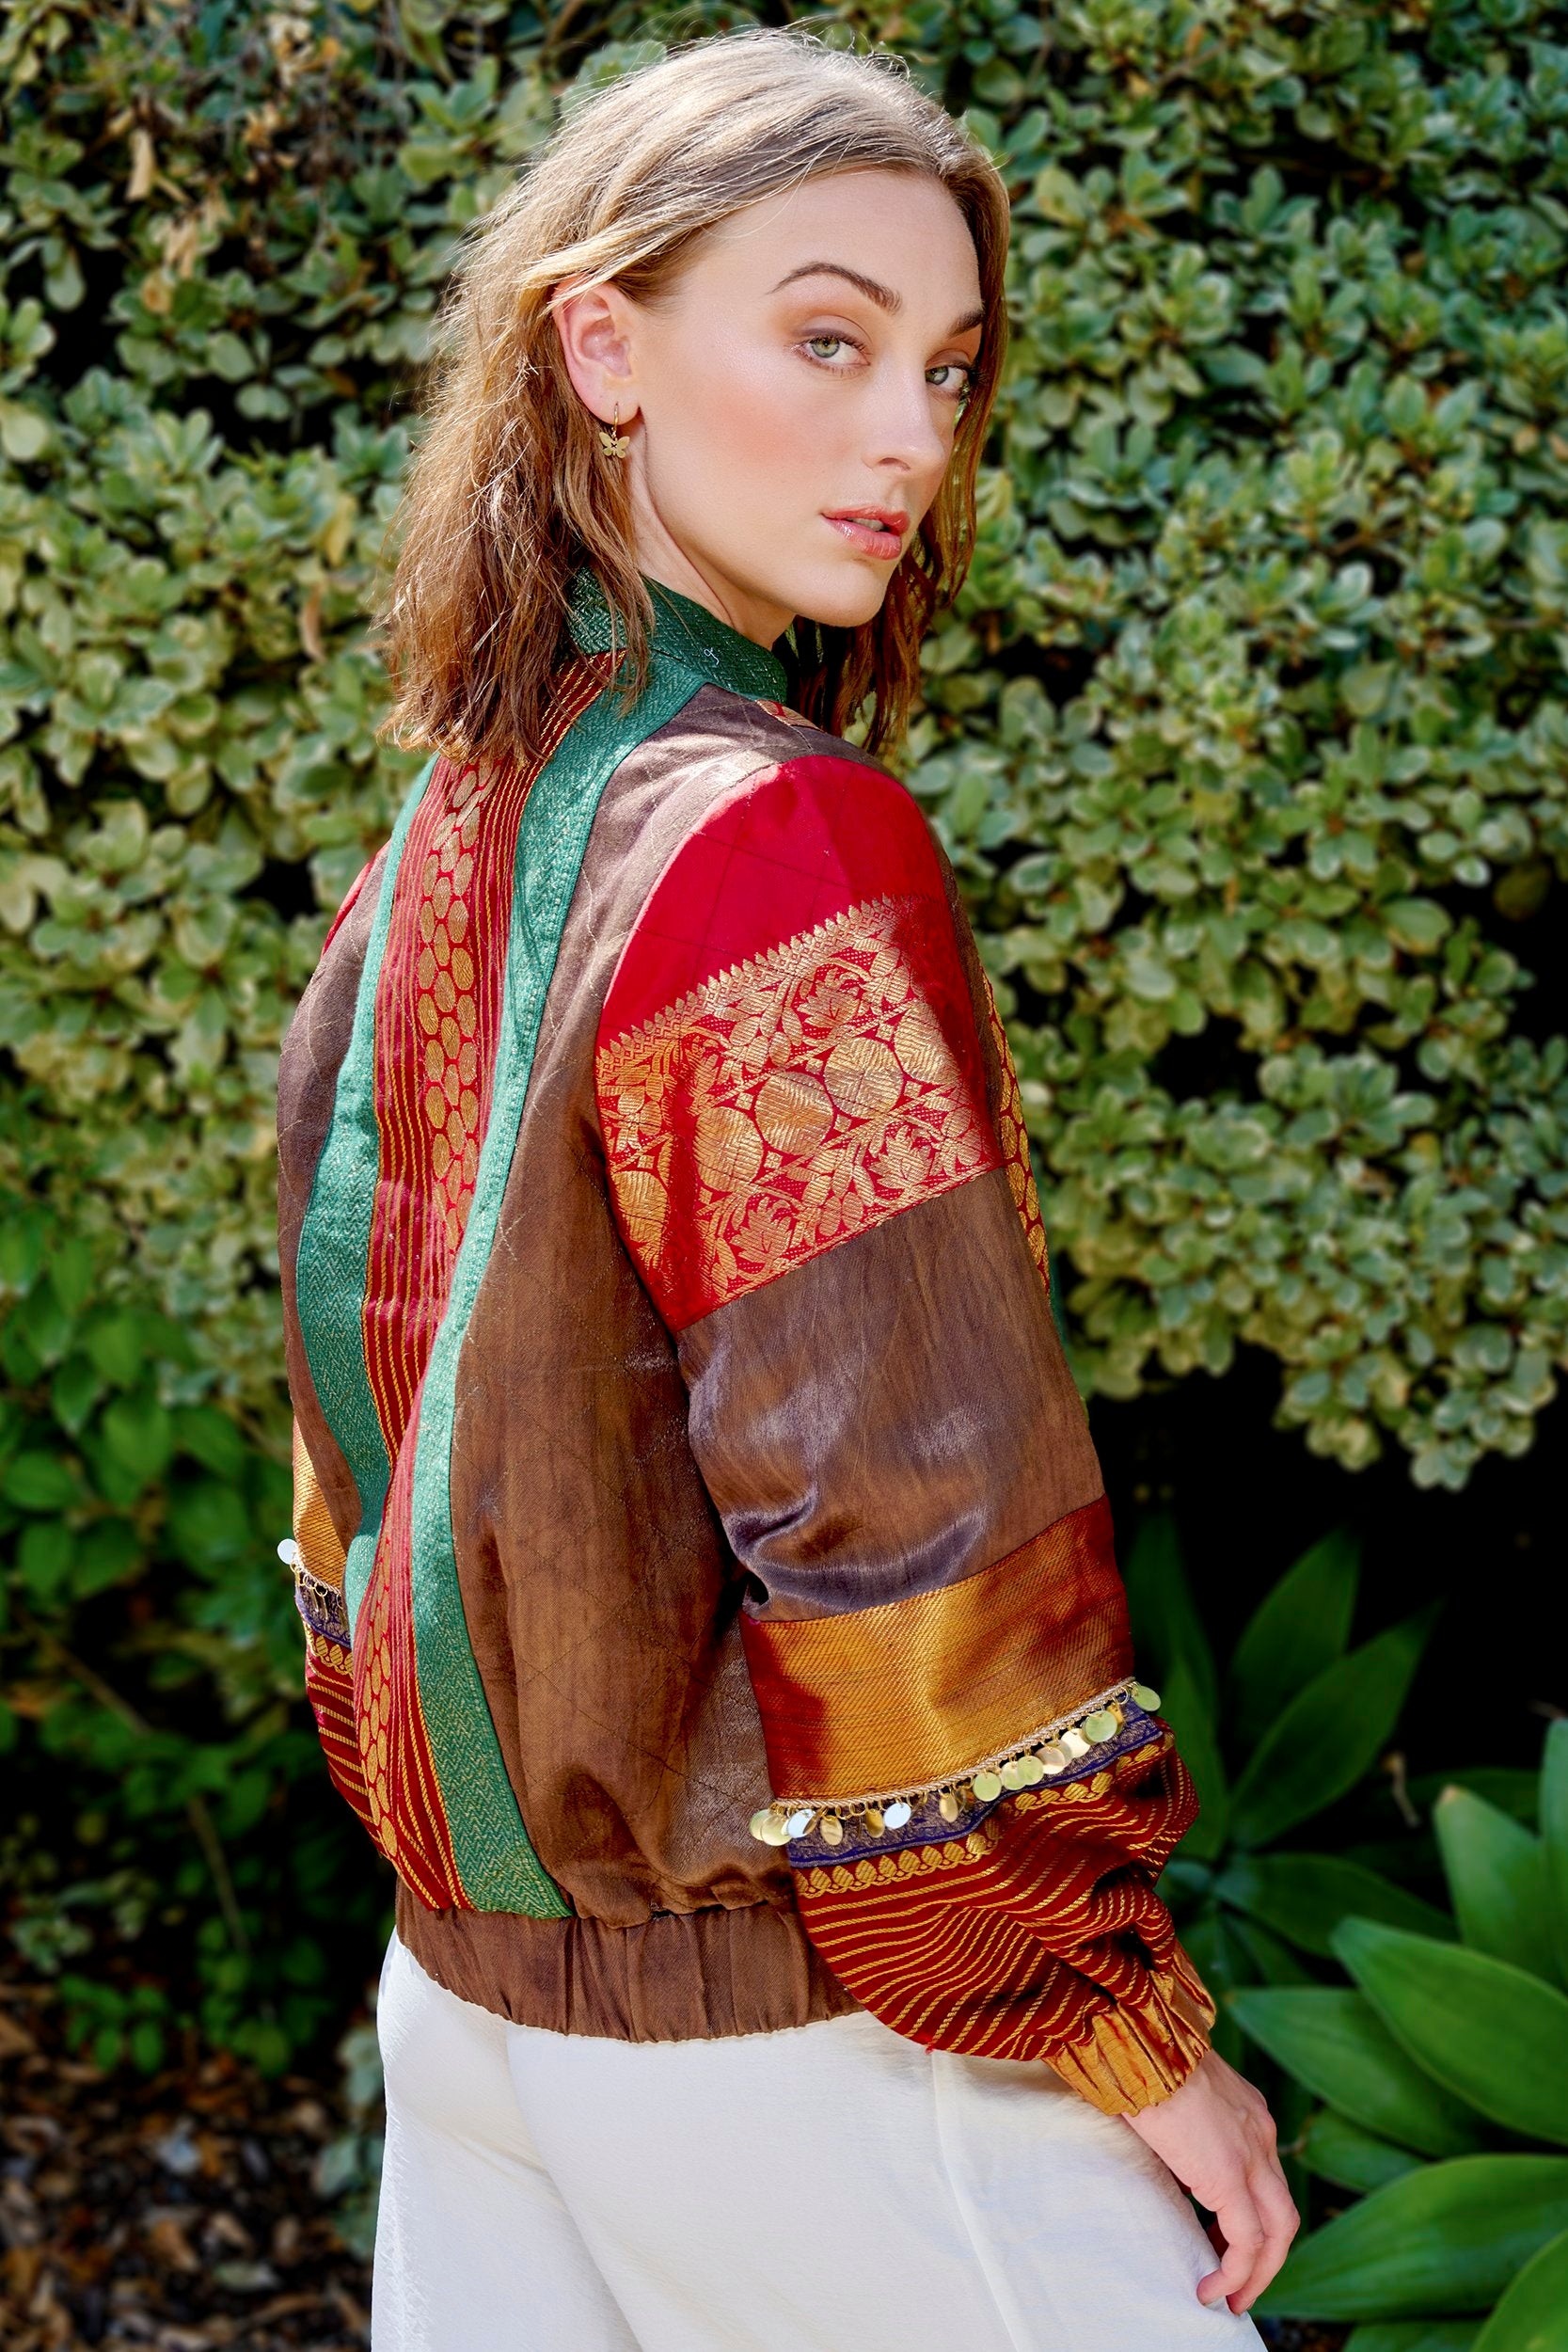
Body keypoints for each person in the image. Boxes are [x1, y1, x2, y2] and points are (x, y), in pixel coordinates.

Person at [274, 26, 1297, 2351]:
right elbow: (906, 1519)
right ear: (601, 343)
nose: (911, 437)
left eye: (943, 366)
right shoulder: (768, 831)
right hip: (817, 2049)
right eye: (824, 337)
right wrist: (1103, 2007)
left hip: (477, 2013)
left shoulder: (444, 836)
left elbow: (358, 1479)